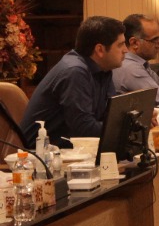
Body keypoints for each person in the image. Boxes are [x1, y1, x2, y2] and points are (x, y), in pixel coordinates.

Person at [20, 15, 126, 147]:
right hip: (40, 153)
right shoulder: (75, 71)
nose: (125, 50)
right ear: (100, 50)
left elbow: (110, 115)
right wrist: (124, 129)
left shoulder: (104, 68)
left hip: (70, 150)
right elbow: (84, 129)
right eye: (120, 45)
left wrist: (128, 122)